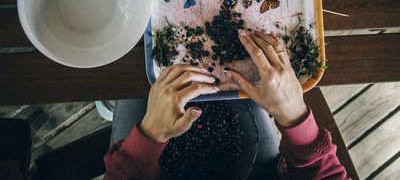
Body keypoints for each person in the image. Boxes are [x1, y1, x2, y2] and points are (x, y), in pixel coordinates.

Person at [103, 28, 349, 179]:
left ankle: (111, 106)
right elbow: (325, 175)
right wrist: (294, 117)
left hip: (146, 172)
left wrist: (149, 134)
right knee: (246, 85)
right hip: (260, 171)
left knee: (137, 77)